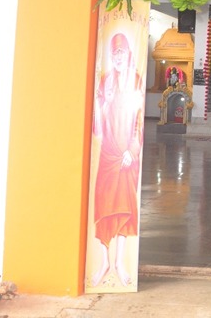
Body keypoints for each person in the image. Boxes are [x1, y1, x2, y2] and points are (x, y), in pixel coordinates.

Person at [92, 32, 144, 287]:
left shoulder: (135, 81)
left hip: (125, 155)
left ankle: (120, 263)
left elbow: (139, 121)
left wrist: (132, 151)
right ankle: (104, 263)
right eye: (114, 52)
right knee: (103, 205)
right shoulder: (105, 82)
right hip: (107, 153)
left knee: (124, 206)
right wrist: (104, 105)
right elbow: (97, 126)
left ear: (129, 53)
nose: (118, 56)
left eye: (122, 51)